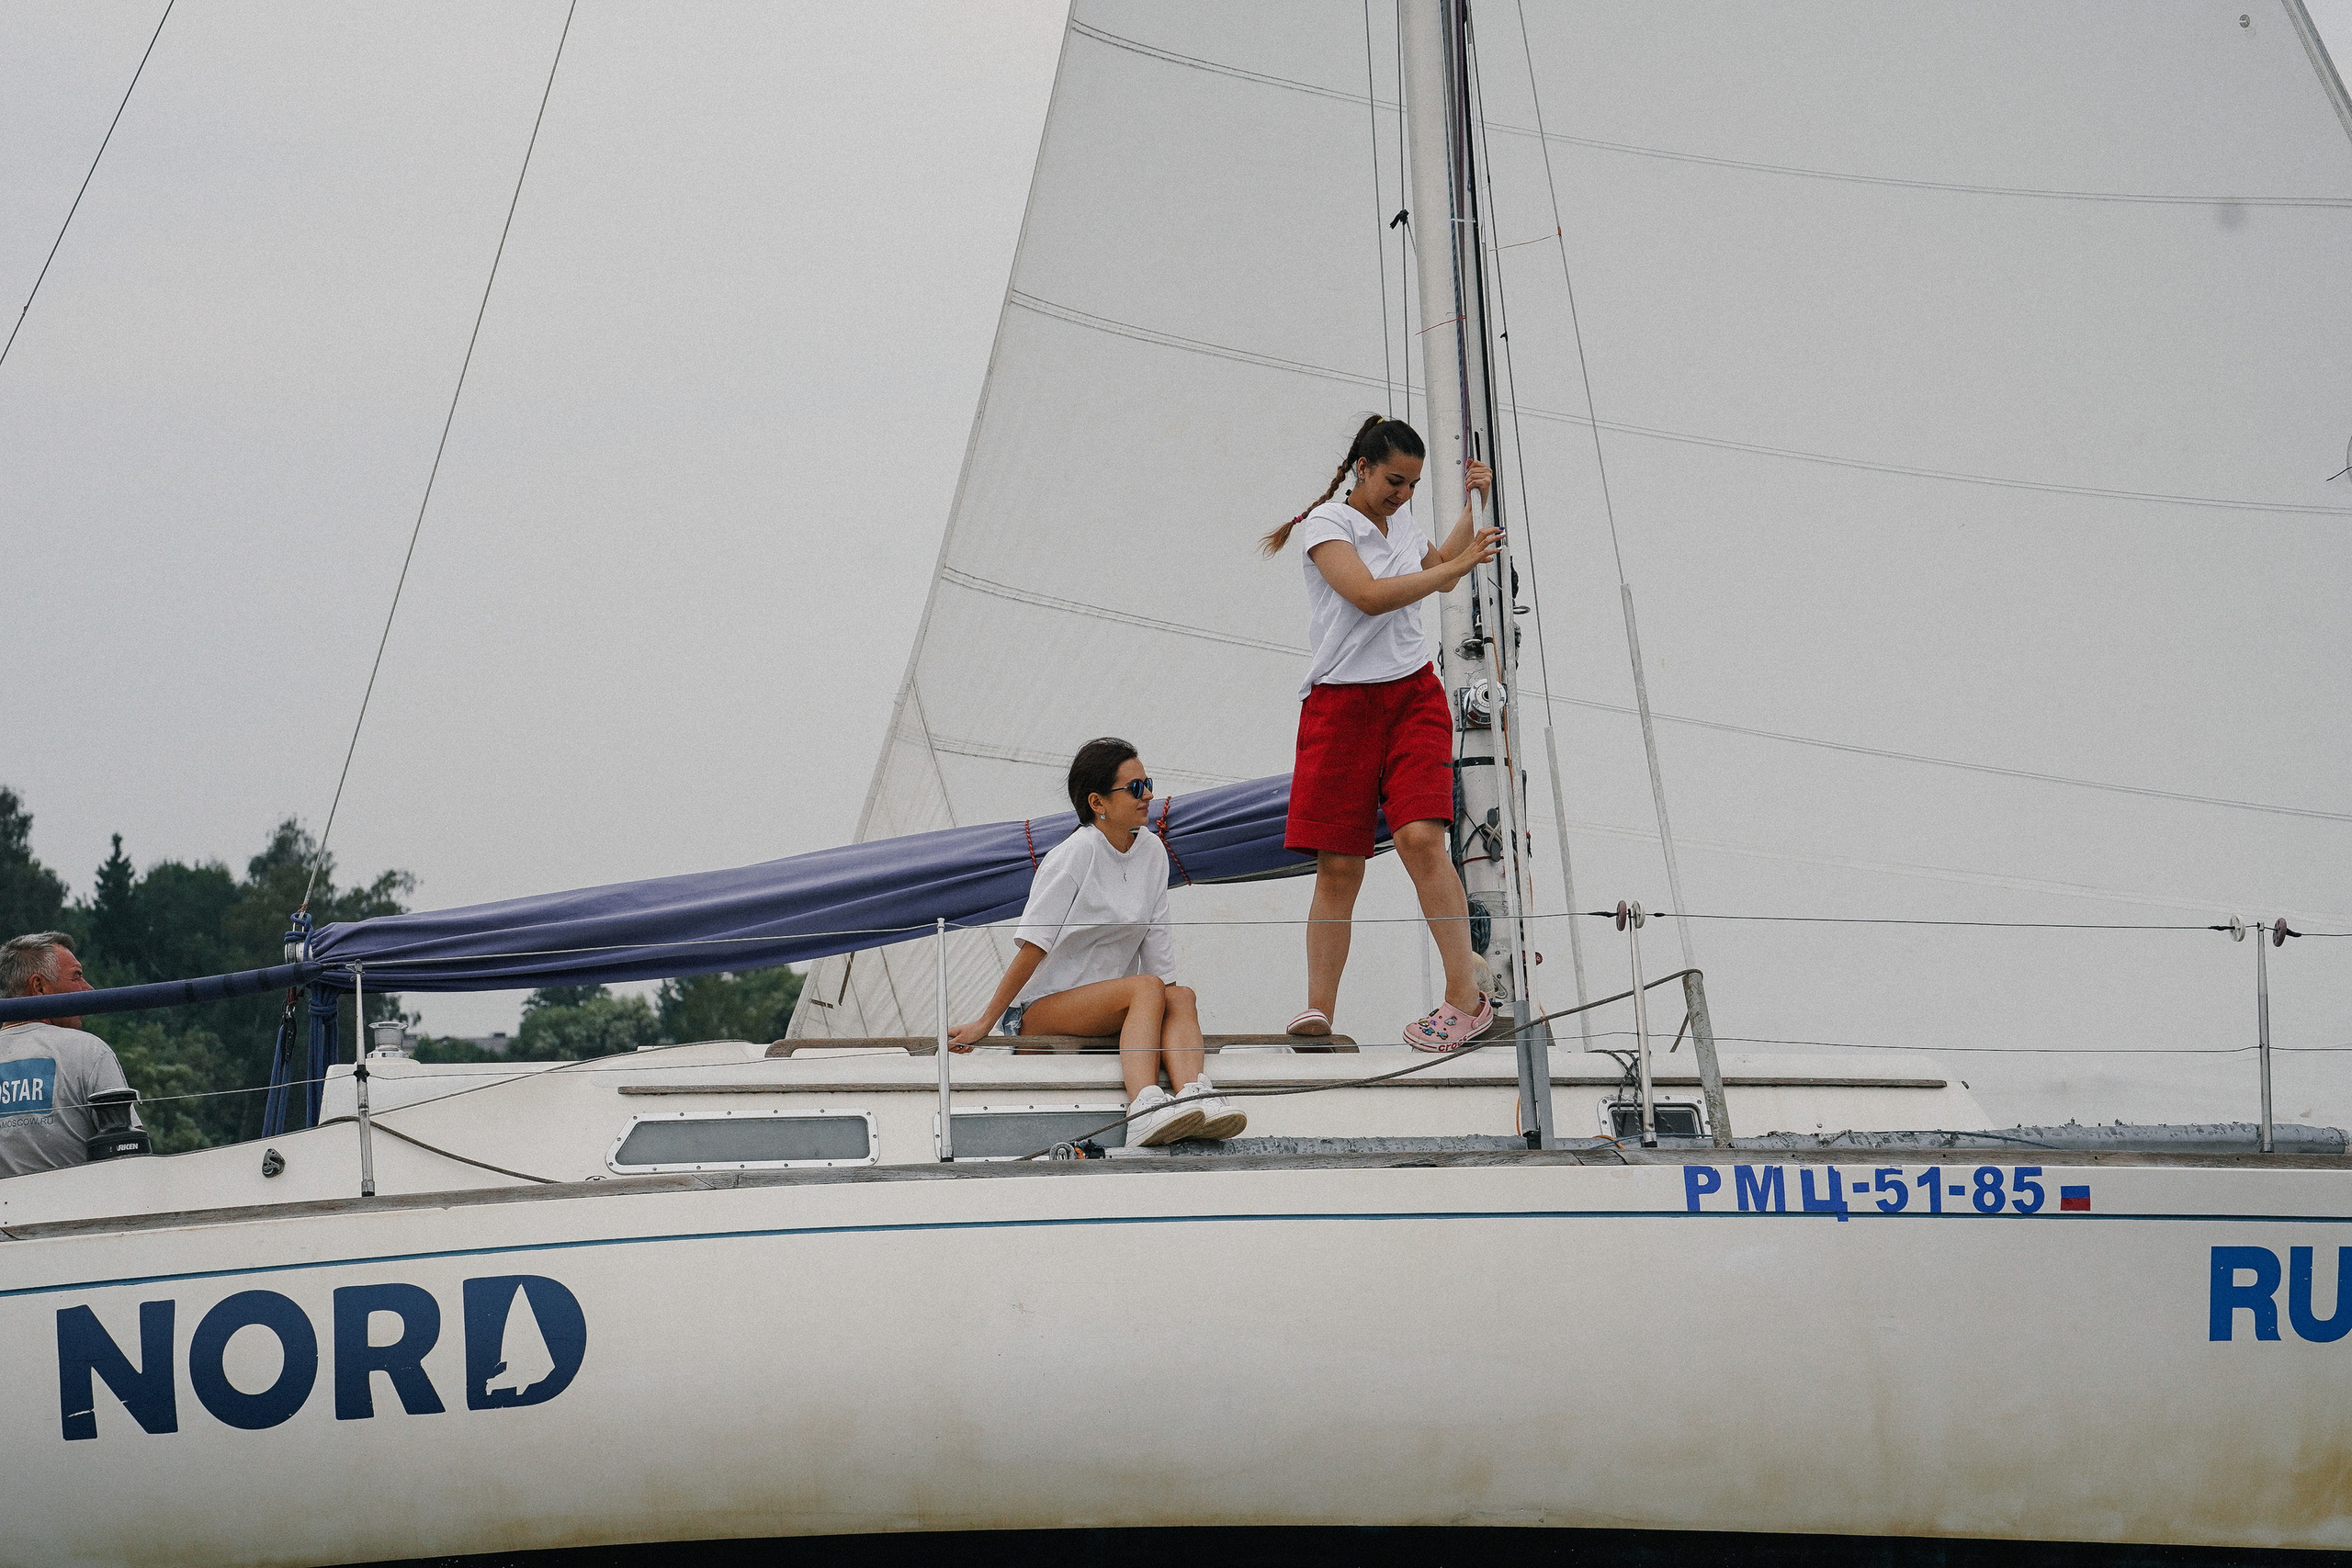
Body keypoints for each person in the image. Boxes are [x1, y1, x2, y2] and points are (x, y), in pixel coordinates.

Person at [1260, 414, 1502, 1051]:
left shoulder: (1403, 525)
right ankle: (1318, 1010)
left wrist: (1474, 509)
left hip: (1412, 695)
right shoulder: (1327, 526)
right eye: (1395, 479)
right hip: (1340, 706)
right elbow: (1367, 594)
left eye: (1414, 484)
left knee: (1422, 835)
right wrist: (1457, 563)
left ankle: (1464, 998)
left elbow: (1443, 568)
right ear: (1363, 468)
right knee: (1338, 865)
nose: (1402, 493)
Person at [948, 738, 1245, 1146]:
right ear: (1098, 802)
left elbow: (1159, 954)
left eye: (1149, 783)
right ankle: (1143, 1108)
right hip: (1040, 1011)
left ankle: (1196, 1095)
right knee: (1147, 988)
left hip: (1112, 1005)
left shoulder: (1153, 853)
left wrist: (1171, 1022)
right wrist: (986, 1022)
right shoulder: (1075, 854)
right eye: (1136, 788)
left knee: (1181, 996)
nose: (1150, 796)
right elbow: (1033, 946)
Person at [0, 931, 141, 1178]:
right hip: (77, 1211)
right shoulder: (87, 1050)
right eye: (77, 977)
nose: (89, 989)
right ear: (39, 986)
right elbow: (130, 1158)